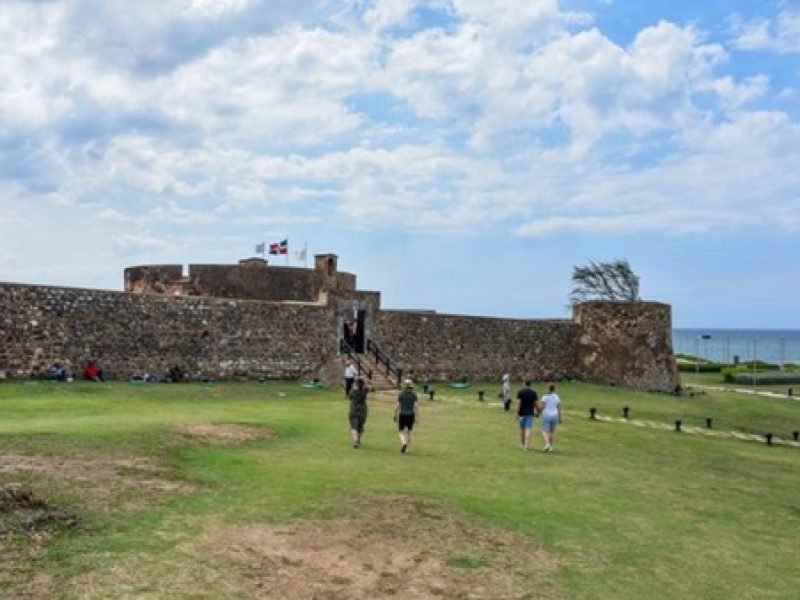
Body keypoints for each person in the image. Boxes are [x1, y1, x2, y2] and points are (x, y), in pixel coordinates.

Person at [394, 379, 419, 453]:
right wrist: (417, 417)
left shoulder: (401, 394)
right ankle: (408, 449)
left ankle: (403, 443)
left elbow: (397, 405)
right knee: (409, 432)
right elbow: (416, 406)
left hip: (402, 414)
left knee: (401, 431)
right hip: (411, 415)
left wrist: (395, 414)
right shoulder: (414, 394)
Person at [516, 380, 538, 450]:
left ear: (524, 384)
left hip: (522, 413)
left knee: (522, 429)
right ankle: (526, 445)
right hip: (530, 413)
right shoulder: (533, 393)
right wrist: (538, 411)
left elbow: (519, 403)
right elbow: (536, 403)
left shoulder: (520, 392)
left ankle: (522, 444)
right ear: (530, 385)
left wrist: (516, 413)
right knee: (528, 429)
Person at [540, 383, 562, 452]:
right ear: (554, 389)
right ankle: (551, 447)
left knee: (544, 431)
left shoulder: (545, 397)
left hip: (546, 415)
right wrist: (560, 417)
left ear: (548, 388)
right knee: (552, 432)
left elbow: (542, 406)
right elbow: (559, 407)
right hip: (554, 415)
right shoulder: (556, 397)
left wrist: (538, 412)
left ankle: (547, 443)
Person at [348, 377, 369, 448]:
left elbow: (349, 397)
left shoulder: (352, 391)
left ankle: (355, 441)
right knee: (360, 426)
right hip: (363, 411)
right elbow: (370, 387)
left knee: (354, 427)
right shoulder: (365, 391)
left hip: (354, 410)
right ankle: (359, 440)